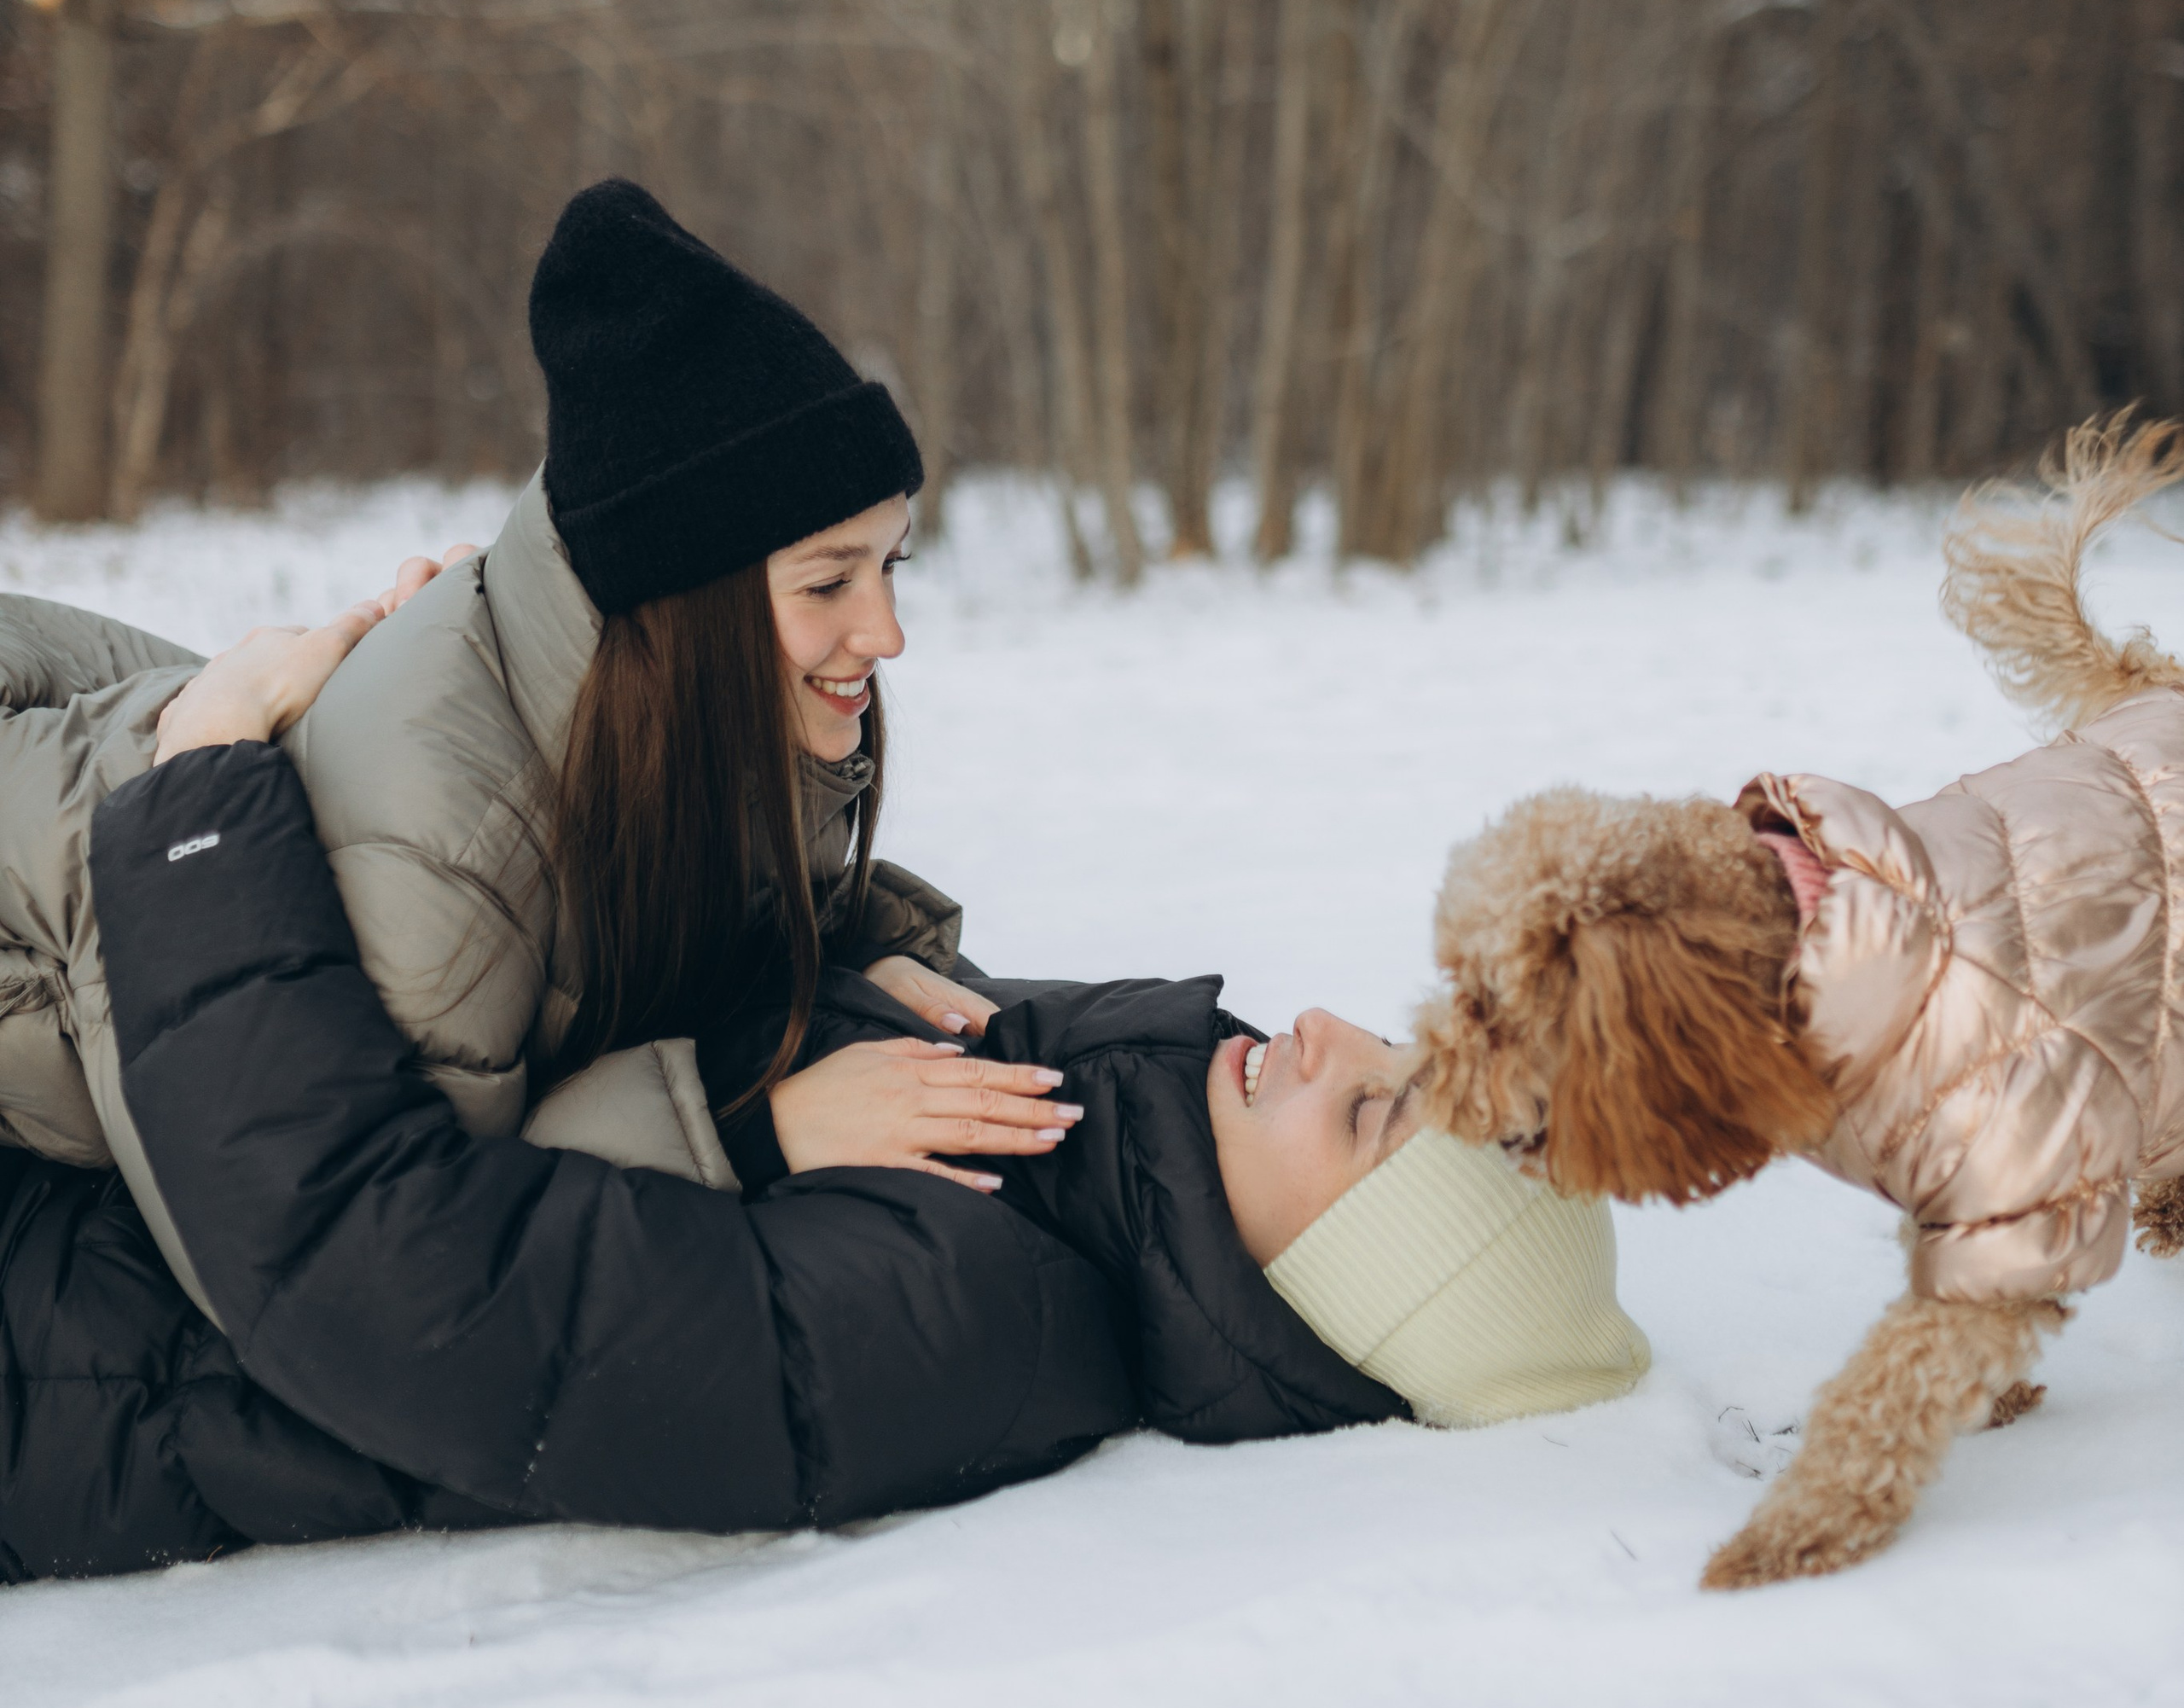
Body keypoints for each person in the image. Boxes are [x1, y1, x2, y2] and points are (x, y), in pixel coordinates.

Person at [0, 605, 1646, 1583]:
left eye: (1363, 1118)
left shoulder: (962, 1326)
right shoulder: (1079, 1139)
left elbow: (417, 1301)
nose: (1334, 1039)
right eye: (1395, 1066)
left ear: (1307, 1300)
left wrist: (207, 806)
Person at [0, 181, 1066, 1318]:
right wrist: (752, 1126)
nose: (887, 633)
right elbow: (381, 1249)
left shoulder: (696, 720)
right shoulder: (448, 841)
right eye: (828, 582)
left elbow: (654, 943)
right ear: (681, 598)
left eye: (889, 565)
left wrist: (831, 969)